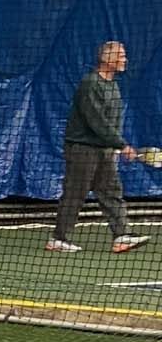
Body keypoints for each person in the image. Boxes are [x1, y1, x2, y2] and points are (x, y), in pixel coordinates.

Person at [48, 41, 147, 255]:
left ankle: (122, 236)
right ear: (106, 58)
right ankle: (58, 239)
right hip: (82, 149)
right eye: (120, 55)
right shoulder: (90, 84)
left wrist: (115, 148)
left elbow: (112, 122)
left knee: (112, 192)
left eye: (124, 55)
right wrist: (121, 144)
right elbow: (96, 121)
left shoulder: (113, 85)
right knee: (75, 193)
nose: (124, 59)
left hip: (104, 150)